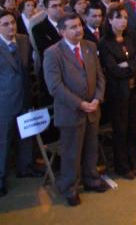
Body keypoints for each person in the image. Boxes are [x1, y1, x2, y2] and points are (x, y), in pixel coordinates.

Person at [43, 13, 107, 206]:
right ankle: (70, 187)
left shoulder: (90, 46)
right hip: (71, 112)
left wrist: (97, 98)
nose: (78, 29)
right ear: (62, 31)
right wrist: (80, 104)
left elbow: (100, 76)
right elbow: (55, 87)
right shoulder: (53, 53)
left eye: (79, 25)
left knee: (90, 148)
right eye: (72, 27)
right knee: (71, 153)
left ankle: (91, 179)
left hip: (92, 109)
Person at [98, 4, 136, 179]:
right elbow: (113, 70)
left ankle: (135, 162)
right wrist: (134, 63)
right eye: (119, 17)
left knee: (135, 126)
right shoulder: (105, 43)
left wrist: (129, 64)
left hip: (135, 88)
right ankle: (123, 166)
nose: (123, 21)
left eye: (126, 18)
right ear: (110, 19)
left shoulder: (131, 36)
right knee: (121, 128)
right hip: (118, 92)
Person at [0, 11, 39, 198]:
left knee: (26, 135)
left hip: (25, 96)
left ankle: (25, 167)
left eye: (12, 22)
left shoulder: (23, 40)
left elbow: (28, 68)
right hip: (4, 101)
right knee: (3, 141)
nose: (11, 27)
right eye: (5, 24)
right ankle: (1, 177)